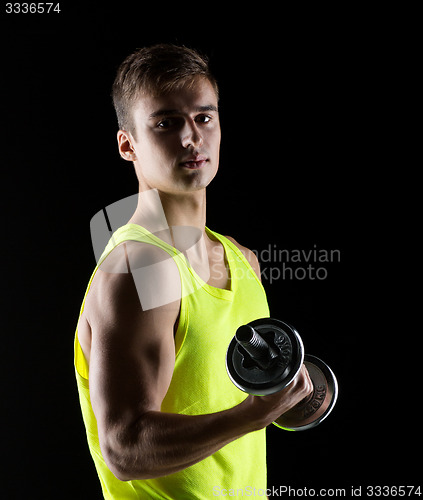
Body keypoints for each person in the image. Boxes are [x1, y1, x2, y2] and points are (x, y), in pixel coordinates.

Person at [74, 44, 312, 499]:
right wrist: (252, 415)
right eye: (166, 123)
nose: (191, 138)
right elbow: (125, 449)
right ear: (128, 145)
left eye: (204, 118)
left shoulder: (242, 259)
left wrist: (285, 401)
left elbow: (218, 400)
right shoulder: (139, 267)